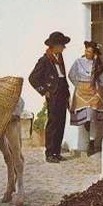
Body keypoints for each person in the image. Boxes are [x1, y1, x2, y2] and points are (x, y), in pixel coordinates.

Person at [29, 32, 71, 163]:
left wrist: (68, 93)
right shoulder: (44, 60)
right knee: (53, 123)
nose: (64, 47)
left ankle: (56, 152)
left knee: (61, 122)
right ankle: (49, 153)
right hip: (53, 94)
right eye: (62, 45)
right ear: (55, 46)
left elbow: (62, 77)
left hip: (62, 93)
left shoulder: (60, 57)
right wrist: (44, 91)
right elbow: (33, 78)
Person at [68, 40, 103, 156]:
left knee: (92, 117)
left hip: (93, 93)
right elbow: (71, 74)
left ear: (94, 53)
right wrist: (79, 85)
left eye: (90, 51)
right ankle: (87, 142)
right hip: (81, 92)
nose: (87, 53)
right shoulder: (78, 62)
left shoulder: (98, 64)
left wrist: (97, 84)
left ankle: (91, 142)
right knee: (86, 118)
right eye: (86, 50)